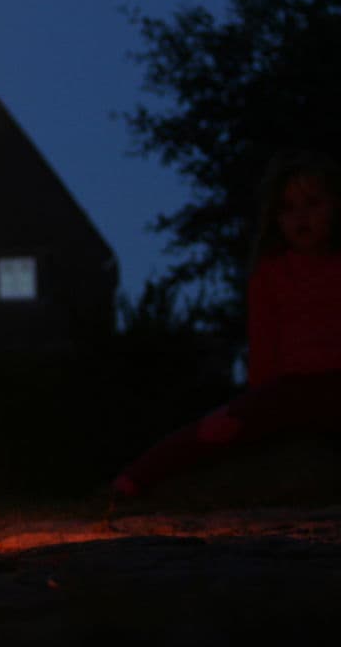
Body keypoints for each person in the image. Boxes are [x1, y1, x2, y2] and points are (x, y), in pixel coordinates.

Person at [111, 148, 341, 500]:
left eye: (312, 203)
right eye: (288, 208)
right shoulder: (270, 274)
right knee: (218, 428)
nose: (301, 217)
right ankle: (136, 477)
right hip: (289, 391)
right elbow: (264, 344)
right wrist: (259, 402)